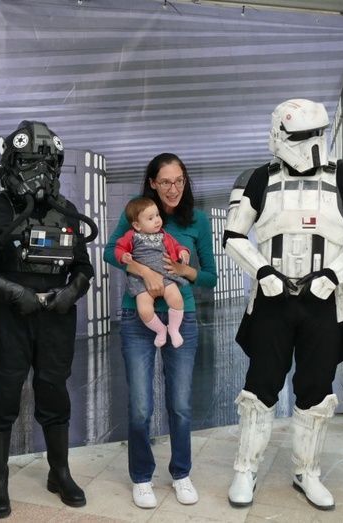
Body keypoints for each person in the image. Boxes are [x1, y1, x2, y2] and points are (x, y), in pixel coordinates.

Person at [222, 99, 343, 511]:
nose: (305, 144)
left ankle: (306, 471)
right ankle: (246, 467)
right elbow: (234, 236)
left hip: (324, 303)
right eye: (296, 135)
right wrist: (263, 272)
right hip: (271, 301)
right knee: (260, 386)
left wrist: (331, 276)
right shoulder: (257, 178)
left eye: (311, 134)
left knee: (316, 388)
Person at [0, 120, 97, 518]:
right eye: (28, 163)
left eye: (47, 165)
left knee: (54, 393)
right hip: (10, 320)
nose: (39, 173)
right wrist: (12, 291)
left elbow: (83, 266)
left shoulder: (66, 211)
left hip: (56, 318)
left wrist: (71, 292)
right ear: (10, 164)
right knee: (3, 396)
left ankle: (60, 472)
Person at [104, 152, 217, 509]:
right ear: (152, 183)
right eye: (165, 182)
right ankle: (142, 477)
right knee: (140, 406)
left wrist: (184, 272)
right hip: (137, 319)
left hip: (182, 317)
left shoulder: (197, 221)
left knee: (180, 405)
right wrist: (144, 271)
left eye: (179, 181)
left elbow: (210, 276)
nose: (173, 188)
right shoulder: (138, 213)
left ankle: (181, 473)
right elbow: (110, 252)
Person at [114, 196, 191, 348]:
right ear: (137, 225)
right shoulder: (131, 236)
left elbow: (177, 246)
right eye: (150, 218)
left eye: (157, 215)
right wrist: (123, 256)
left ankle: (174, 329)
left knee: (176, 299)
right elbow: (119, 248)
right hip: (140, 281)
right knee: (144, 310)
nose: (157, 220)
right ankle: (160, 330)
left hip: (165, 274)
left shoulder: (164, 235)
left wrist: (183, 252)